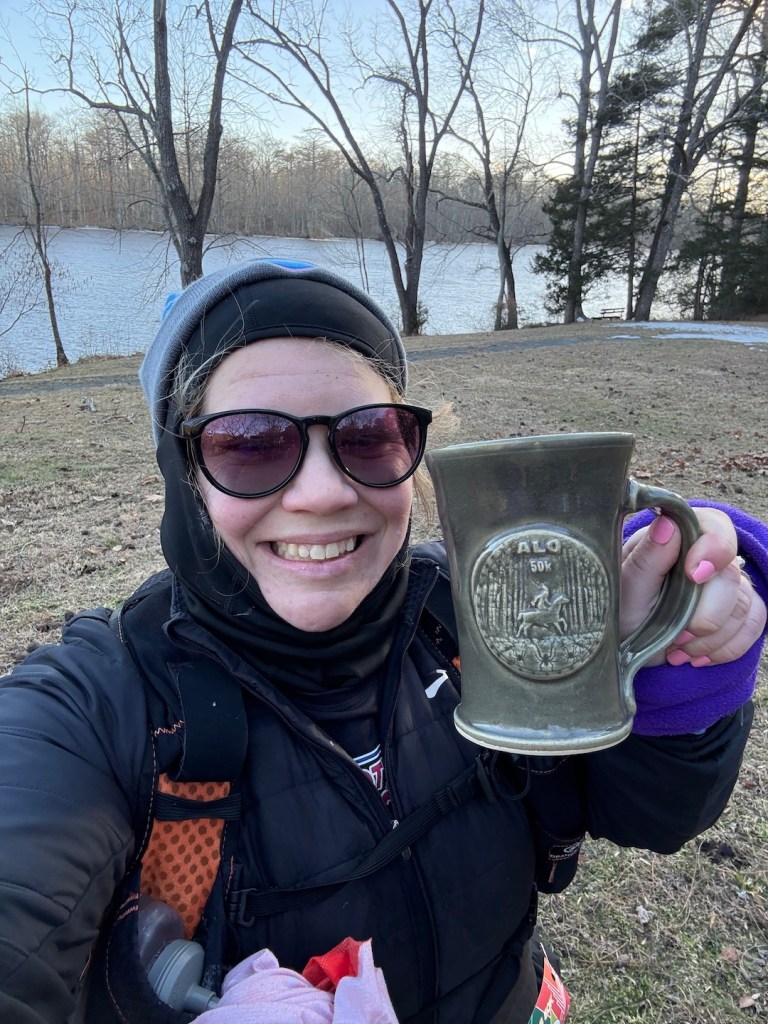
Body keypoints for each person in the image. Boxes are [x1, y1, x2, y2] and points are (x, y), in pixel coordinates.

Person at [0, 257, 766, 1024]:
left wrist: (670, 663)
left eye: (368, 436)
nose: (325, 491)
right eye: (250, 444)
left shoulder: (469, 615)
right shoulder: (101, 706)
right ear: (186, 477)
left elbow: (655, 819)